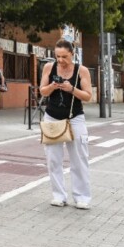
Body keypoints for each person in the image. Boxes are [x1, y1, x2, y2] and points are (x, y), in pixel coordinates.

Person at [40, 39, 93, 209]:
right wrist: (53, 87)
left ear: (73, 54)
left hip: (74, 117)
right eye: (58, 56)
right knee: (53, 159)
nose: (61, 60)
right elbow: (42, 90)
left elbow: (87, 96)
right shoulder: (49, 67)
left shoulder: (81, 71)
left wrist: (71, 89)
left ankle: (82, 197)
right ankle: (58, 196)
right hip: (52, 117)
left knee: (79, 159)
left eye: (65, 56)